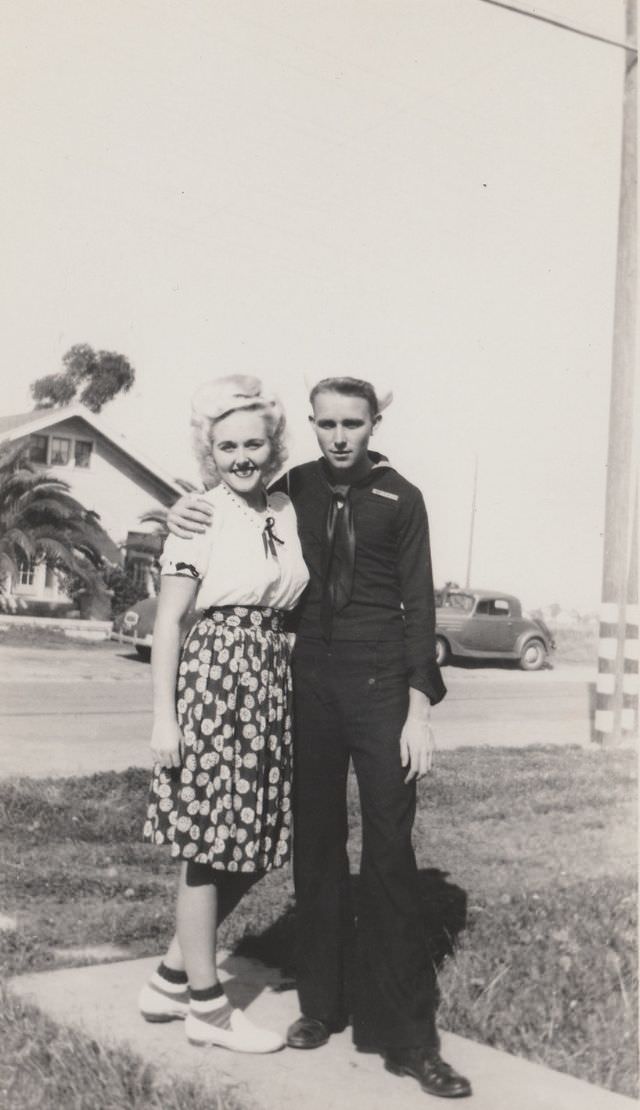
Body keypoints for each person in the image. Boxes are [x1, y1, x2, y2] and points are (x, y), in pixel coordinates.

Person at [167, 376, 472, 1098]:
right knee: (318, 847)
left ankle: (404, 1038)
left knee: (390, 851)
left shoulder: (403, 497)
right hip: (307, 685)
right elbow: (222, 505)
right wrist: (176, 508)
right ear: (310, 424)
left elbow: (420, 604)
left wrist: (418, 708)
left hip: (378, 689)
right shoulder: (289, 487)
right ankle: (322, 1006)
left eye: (353, 424)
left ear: (373, 424)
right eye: (327, 424)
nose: (340, 436)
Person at [138, 374, 309, 1054]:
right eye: (227, 445)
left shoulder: (286, 510)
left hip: (268, 681)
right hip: (212, 682)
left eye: (254, 443)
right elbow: (170, 623)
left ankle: (170, 977)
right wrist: (165, 717)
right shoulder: (199, 515)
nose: (241, 456)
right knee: (208, 850)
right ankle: (207, 1010)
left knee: (254, 847)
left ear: (274, 446)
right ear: (210, 452)